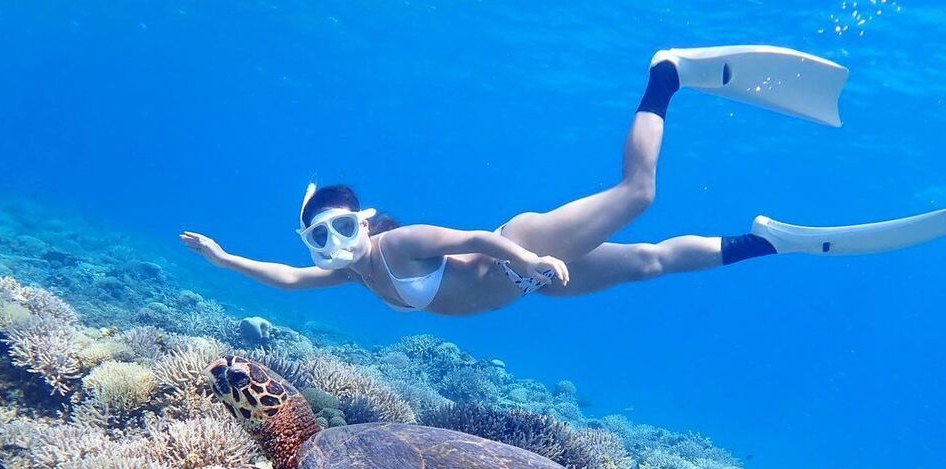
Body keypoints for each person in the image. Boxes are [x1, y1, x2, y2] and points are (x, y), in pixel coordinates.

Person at [181, 46, 945, 316]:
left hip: (524, 249)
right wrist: (223, 261)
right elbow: (285, 280)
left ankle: (667, 74)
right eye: (320, 237)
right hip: (530, 285)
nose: (332, 245)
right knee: (648, 264)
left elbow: (475, 236)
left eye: (343, 227)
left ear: (368, 219)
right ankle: (767, 242)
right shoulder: (353, 276)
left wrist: (527, 260)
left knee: (639, 194)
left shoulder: (400, 244)